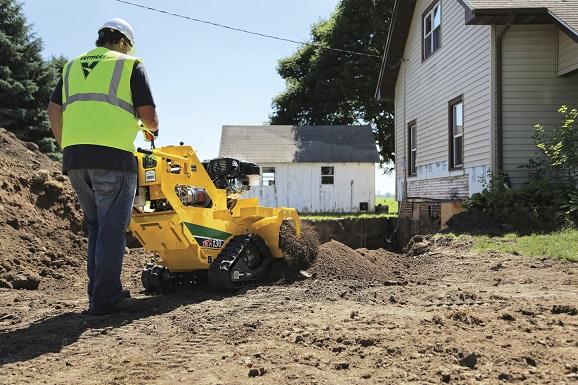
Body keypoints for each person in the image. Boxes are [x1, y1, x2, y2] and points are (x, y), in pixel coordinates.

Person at [47, 18, 159, 316]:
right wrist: (151, 128)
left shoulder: (72, 66)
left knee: (97, 226)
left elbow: (53, 111)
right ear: (124, 42)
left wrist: (65, 145)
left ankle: (99, 293)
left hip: (75, 159)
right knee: (111, 229)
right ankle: (106, 299)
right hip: (112, 159)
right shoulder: (129, 64)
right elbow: (149, 117)